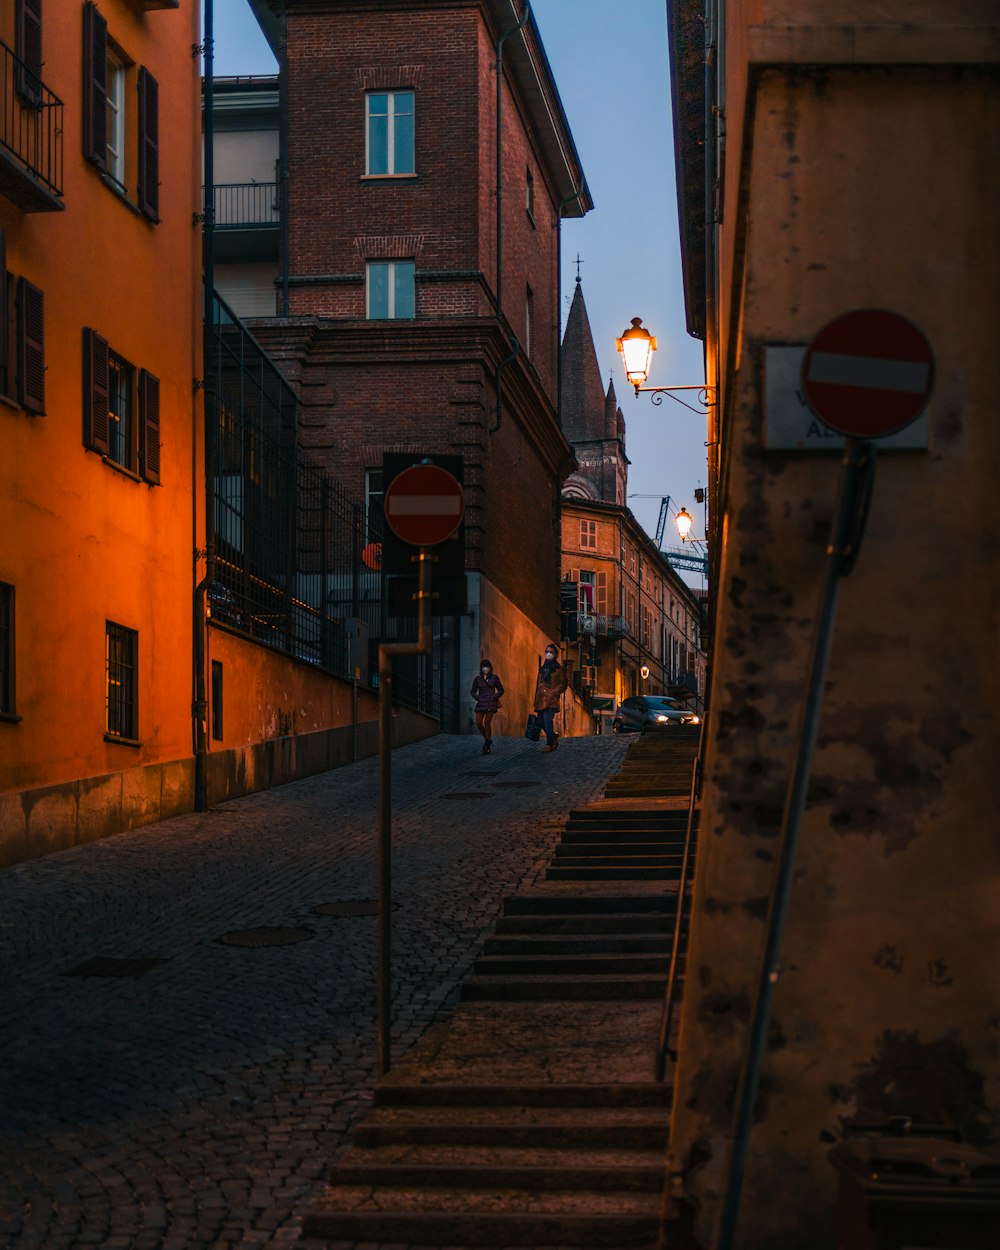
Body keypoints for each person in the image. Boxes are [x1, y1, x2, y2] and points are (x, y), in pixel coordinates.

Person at [533, 642, 568, 753]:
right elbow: (538, 684)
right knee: (540, 721)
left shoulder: (559, 669)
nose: (548, 654)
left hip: (551, 700)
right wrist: (536, 700)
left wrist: (554, 692)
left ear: (556, 654)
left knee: (548, 721)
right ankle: (553, 737)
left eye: (551, 652)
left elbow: (563, 684)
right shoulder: (542, 669)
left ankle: (549, 744)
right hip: (541, 699)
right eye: (547, 652)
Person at [470, 658, 504, 754]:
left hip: (491, 703)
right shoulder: (478, 679)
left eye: (487, 667)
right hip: (481, 702)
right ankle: (487, 740)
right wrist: (478, 698)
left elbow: (501, 690)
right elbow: (472, 691)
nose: (485, 669)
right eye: (483, 667)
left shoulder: (494, 678)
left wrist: (494, 696)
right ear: (481, 668)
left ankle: (487, 744)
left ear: (490, 668)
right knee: (478, 722)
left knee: (487, 723)